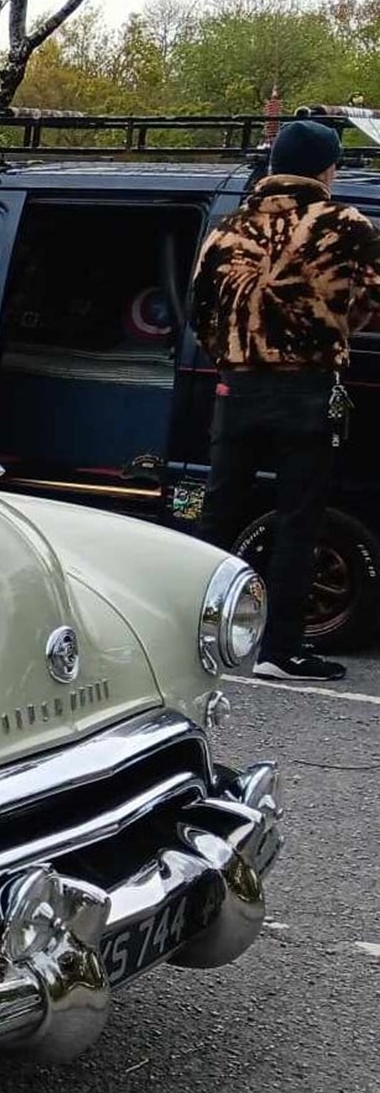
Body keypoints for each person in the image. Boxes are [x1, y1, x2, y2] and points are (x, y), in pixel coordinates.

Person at [193, 119, 380, 682]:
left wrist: (236, 353)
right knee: (300, 520)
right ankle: (280, 649)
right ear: (326, 169)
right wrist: (331, 333)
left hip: (238, 386)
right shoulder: (346, 224)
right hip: (308, 389)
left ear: (275, 165)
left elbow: (201, 311)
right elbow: (370, 299)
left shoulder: (227, 227)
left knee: (218, 514)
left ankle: (190, 632)